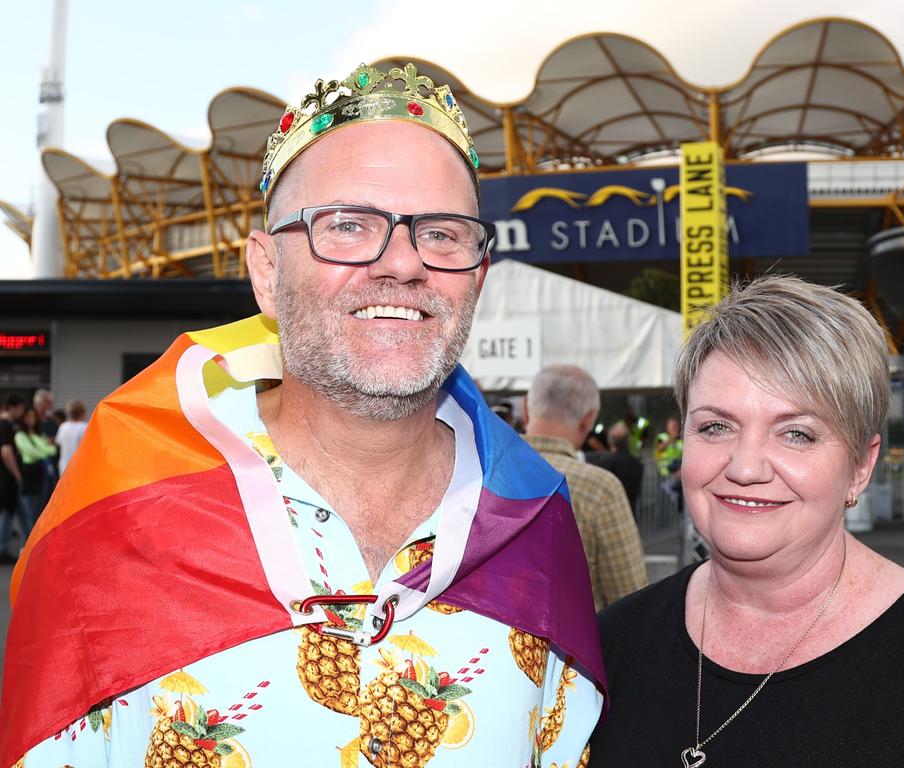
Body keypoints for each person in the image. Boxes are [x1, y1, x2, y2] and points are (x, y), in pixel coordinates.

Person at [3, 64, 604, 768]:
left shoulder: (537, 520)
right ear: (265, 271)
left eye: (441, 233)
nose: (403, 264)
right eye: (348, 225)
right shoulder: (119, 520)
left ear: (477, 275)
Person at [590, 276, 904, 767]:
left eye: (796, 434)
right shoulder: (609, 647)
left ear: (861, 466)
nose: (745, 467)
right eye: (716, 426)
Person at [523, 365, 648, 610]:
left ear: (526, 409)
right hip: (575, 645)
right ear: (588, 419)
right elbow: (631, 599)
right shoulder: (600, 490)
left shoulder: (478, 473)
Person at [588, 421, 644, 514]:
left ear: (610, 441)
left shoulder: (605, 465)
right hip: (630, 516)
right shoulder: (637, 463)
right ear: (627, 440)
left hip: (611, 517)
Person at [0, 395, 30, 564]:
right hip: (9, 477)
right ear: (12, 407)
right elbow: (6, 452)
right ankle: (3, 549)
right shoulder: (5, 425)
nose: (21, 413)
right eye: (20, 409)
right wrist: (17, 474)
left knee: (12, 513)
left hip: (5, 477)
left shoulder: (7, 425)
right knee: (10, 513)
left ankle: (26, 546)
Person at [13, 408, 56, 526]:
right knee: (31, 512)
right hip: (30, 475)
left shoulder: (39, 434)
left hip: (42, 475)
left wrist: (42, 451)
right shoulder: (20, 435)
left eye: (33, 416)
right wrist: (43, 451)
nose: (31, 419)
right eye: (28, 416)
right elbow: (31, 452)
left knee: (42, 510)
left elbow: (52, 450)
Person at [53, 399, 88, 475]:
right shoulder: (84, 427)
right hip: (80, 468)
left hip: (64, 468)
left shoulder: (63, 426)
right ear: (83, 413)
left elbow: (58, 443)